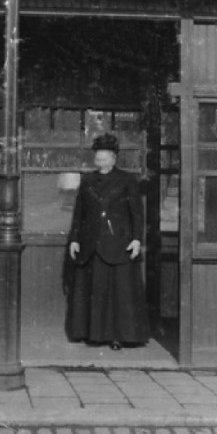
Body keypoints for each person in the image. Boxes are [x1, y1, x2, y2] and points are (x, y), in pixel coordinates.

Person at [65, 132, 149, 349]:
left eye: (104, 158)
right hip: (91, 244)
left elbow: (137, 214)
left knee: (118, 293)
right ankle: (94, 335)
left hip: (118, 245)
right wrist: (75, 239)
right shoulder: (87, 181)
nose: (99, 162)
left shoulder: (128, 181)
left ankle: (119, 336)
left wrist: (137, 240)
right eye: (97, 159)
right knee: (94, 291)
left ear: (113, 158)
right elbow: (79, 213)